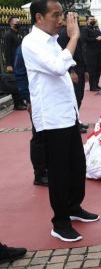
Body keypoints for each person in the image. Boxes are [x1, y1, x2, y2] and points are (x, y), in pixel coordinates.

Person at [22, 0, 100, 242]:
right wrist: (74, 36)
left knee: (77, 166)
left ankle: (73, 207)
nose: (60, 19)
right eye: (55, 15)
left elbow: (61, 67)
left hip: (67, 115)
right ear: (39, 17)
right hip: (52, 117)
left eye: (60, 14)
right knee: (59, 171)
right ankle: (60, 221)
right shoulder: (31, 42)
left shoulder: (53, 41)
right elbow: (56, 67)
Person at [14, 45, 48, 186]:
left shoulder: (51, 43)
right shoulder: (26, 46)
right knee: (39, 135)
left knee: (52, 135)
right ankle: (39, 174)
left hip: (51, 97)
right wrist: (28, 99)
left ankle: (51, 168)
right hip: (36, 99)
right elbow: (20, 74)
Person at [57, 14, 88, 133]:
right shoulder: (64, 34)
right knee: (74, 97)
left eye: (76, 18)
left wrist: (85, 70)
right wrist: (71, 71)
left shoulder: (75, 34)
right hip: (73, 69)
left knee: (79, 96)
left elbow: (81, 52)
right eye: (72, 18)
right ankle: (74, 123)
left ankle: (77, 120)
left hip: (80, 67)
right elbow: (65, 54)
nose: (75, 20)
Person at [2, 16, 27, 111]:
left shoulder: (18, 34)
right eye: (17, 21)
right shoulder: (8, 35)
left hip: (20, 62)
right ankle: (17, 104)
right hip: (13, 62)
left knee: (21, 82)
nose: (19, 22)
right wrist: (8, 64)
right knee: (15, 84)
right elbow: (6, 50)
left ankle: (21, 101)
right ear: (11, 23)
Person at [84, 16, 101, 91]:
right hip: (90, 53)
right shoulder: (85, 29)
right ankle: (92, 86)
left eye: (93, 19)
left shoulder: (96, 28)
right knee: (92, 70)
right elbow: (85, 39)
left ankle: (96, 84)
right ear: (87, 21)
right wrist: (95, 39)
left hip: (98, 51)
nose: (93, 20)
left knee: (98, 69)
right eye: (91, 19)